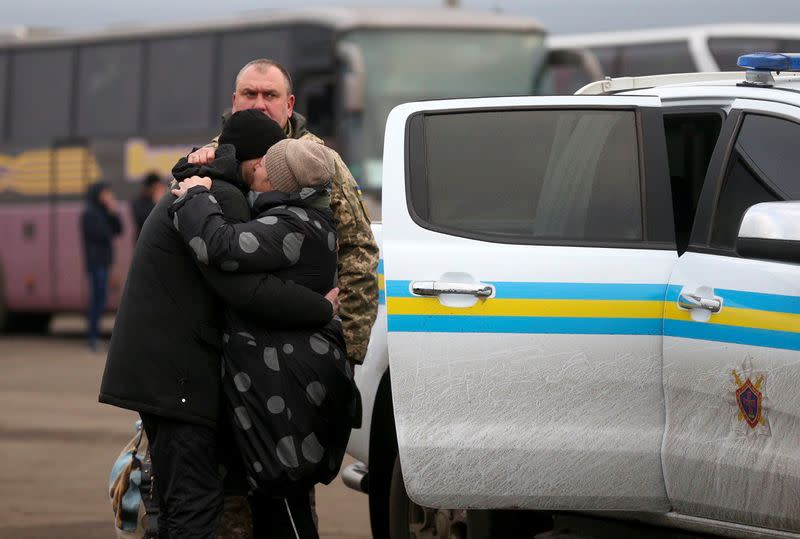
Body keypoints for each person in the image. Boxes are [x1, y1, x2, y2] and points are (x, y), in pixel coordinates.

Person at [98, 110, 338, 538]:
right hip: (178, 378)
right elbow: (243, 288)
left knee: (174, 505)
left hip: (161, 372)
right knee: (194, 505)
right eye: (267, 160)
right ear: (253, 161)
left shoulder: (208, 185)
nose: (269, 169)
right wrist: (322, 309)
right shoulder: (219, 197)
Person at [171, 136, 358, 539]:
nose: (255, 169)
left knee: (283, 502)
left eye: (264, 168)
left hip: (284, 392)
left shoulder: (291, 225)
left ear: (280, 181)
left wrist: (194, 198)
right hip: (286, 385)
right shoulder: (308, 218)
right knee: (278, 503)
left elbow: (220, 246)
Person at [188, 58, 379, 369]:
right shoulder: (206, 156)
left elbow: (358, 248)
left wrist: (349, 347)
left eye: (270, 95)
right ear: (235, 101)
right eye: (250, 94)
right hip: (224, 346)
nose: (259, 104)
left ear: (289, 105)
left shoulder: (319, 161)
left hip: (302, 341)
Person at [80, 181, 122, 351]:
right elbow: (103, 234)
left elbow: (118, 230)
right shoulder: (89, 213)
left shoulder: (103, 212)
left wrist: (113, 213)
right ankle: (92, 337)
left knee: (101, 299)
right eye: (105, 193)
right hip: (95, 262)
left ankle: (94, 336)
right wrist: (109, 213)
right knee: (97, 300)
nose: (108, 196)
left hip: (104, 262)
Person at [131, 172, 165, 241]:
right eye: (155, 188)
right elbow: (144, 220)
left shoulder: (164, 201)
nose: (157, 191)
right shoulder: (138, 203)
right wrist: (156, 203)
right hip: (144, 240)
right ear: (148, 188)